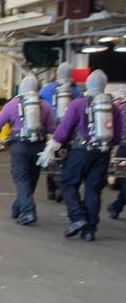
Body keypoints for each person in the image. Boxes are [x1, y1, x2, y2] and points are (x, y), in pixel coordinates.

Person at [37, 70, 122, 241]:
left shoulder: (78, 104)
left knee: (68, 182)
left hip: (81, 151)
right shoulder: (114, 107)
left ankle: (77, 218)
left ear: (88, 85)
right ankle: (90, 230)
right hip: (102, 153)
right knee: (94, 190)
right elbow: (117, 137)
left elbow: (64, 129)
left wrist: (51, 148)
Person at [0, 75, 56, 226]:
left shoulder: (12, 105)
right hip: (39, 145)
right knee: (31, 179)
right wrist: (49, 150)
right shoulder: (44, 106)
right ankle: (17, 207)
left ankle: (28, 211)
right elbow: (52, 130)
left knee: (21, 178)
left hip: (20, 146)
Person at [39, 62, 82, 201]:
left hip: (52, 129)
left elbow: (39, 106)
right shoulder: (76, 91)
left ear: (57, 74)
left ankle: (51, 189)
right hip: (70, 131)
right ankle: (62, 188)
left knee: (52, 157)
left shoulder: (47, 89)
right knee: (67, 159)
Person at [106, 99, 126, 219]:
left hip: (124, 149)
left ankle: (116, 207)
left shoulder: (121, 108)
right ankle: (116, 207)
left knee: (125, 181)